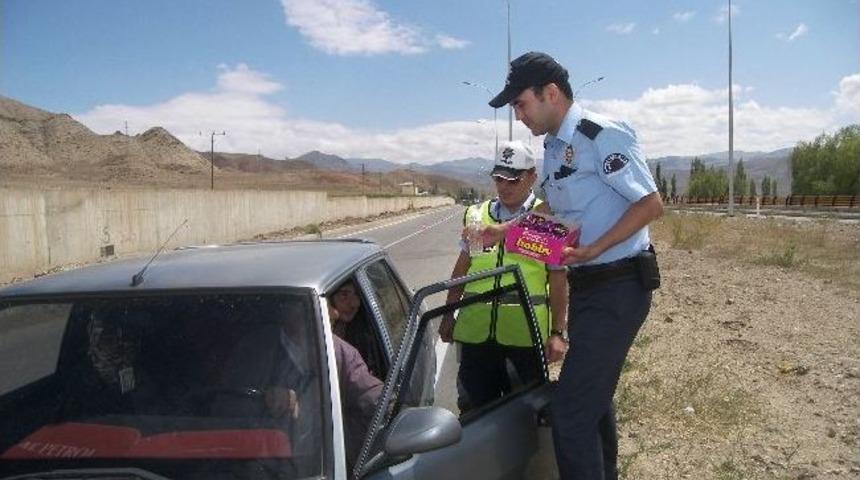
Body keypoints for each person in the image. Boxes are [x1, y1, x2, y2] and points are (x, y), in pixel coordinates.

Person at [484, 51, 663, 479]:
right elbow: (550, 205)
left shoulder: (600, 135)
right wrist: (504, 231)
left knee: (570, 415)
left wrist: (592, 249)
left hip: (618, 286)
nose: (519, 115)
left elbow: (651, 203)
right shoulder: (553, 145)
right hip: (591, 290)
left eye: (521, 104)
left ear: (550, 94)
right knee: (593, 404)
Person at [438, 140, 569, 413]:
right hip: (476, 338)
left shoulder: (544, 218)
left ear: (532, 176)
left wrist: (557, 333)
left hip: (525, 338)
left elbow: (558, 280)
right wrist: (449, 314)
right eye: (499, 179)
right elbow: (463, 267)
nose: (504, 186)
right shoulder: (476, 216)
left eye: (513, 179)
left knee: (526, 417)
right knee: (474, 416)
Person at [327, 302, 383, 470]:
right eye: (344, 296)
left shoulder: (341, 352)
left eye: (354, 296)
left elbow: (376, 399)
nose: (351, 302)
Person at [330, 279, 385, 379]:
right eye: (344, 295)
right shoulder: (310, 335)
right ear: (328, 300)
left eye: (357, 294)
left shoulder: (365, 335)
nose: (354, 304)